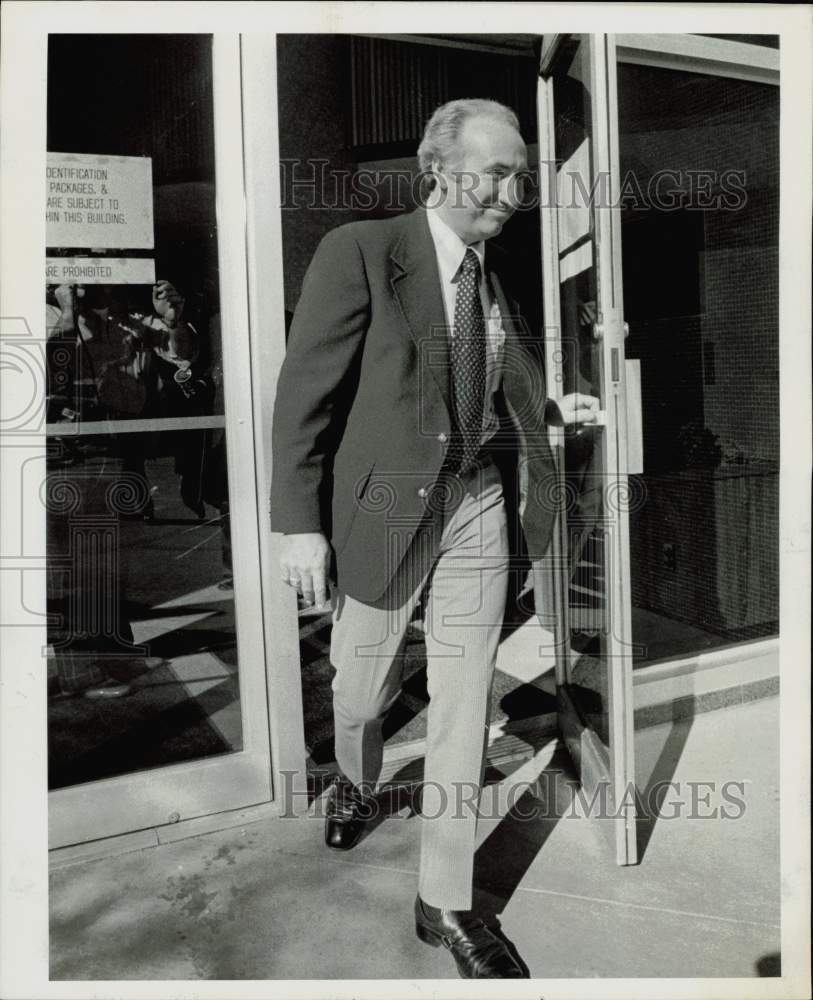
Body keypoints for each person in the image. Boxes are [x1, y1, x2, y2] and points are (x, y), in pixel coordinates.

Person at [270, 99, 599, 979]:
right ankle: (355, 772)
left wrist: (555, 423)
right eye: (495, 171)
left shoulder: (491, 283)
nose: (510, 189)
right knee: (362, 687)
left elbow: (501, 398)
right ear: (437, 169)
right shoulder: (364, 253)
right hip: (381, 509)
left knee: (463, 705)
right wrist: (298, 523)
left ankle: (446, 901)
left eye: (519, 175)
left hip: (474, 508)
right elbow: (305, 396)